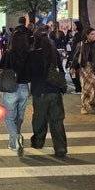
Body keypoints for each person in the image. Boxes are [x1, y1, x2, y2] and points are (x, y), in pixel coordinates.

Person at [26, 28, 68, 156]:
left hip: (39, 91)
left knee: (39, 119)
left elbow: (29, 74)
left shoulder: (32, 55)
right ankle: (60, 148)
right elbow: (61, 71)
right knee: (57, 121)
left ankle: (38, 142)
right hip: (55, 91)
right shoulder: (54, 53)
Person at [0, 28, 31, 154]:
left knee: (9, 117)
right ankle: (13, 143)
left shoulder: (8, 54)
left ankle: (16, 137)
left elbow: (1, 68)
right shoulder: (29, 54)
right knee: (19, 117)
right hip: (24, 88)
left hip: (10, 88)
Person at [69, 27, 95, 114]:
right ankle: (84, 106)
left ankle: (91, 102)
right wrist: (73, 67)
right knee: (85, 89)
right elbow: (76, 57)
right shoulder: (81, 44)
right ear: (87, 35)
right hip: (84, 68)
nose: (94, 36)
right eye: (92, 34)